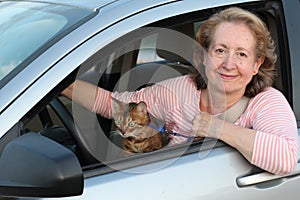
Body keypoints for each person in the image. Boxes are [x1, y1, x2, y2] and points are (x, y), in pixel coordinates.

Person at [62, 7, 298, 175]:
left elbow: (287, 158)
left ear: (257, 65)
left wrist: (217, 128)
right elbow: (112, 104)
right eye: (219, 50)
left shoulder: (266, 102)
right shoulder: (179, 90)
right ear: (203, 57)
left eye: (241, 54)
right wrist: (61, 85)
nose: (228, 64)